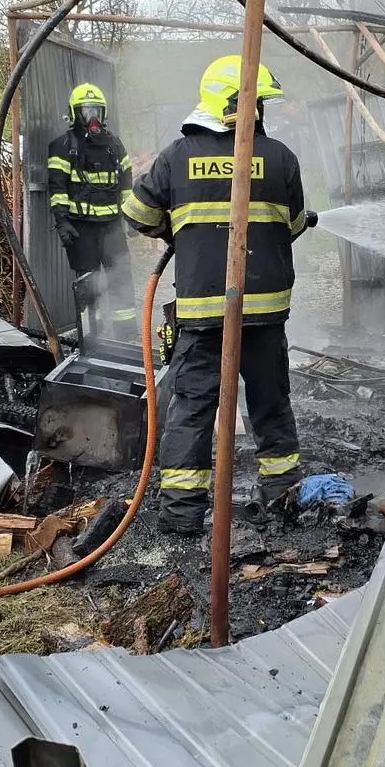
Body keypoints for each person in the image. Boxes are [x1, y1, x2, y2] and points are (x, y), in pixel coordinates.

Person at [120, 55, 318, 535]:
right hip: (266, 315)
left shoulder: (176, 156)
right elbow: (291, 223)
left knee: (191, 409)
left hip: (203, 314)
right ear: (240, 104)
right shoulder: (280, 157)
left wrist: (180, 227)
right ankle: (282, 497)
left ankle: (184, 515)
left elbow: (137, 216)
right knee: (271, 405)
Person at [47, 82, 138, 341]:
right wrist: (62, 221)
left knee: (121, 278)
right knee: (88, 284)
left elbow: (126, 186)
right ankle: (92, 338)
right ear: (75, 114)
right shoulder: (63, 146)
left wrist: (131, 219)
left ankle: (127, 334)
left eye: (96, 111)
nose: (93, 118)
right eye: (87, 111)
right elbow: (57, 187)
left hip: (111, 227)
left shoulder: (114, 145)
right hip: (81, 228)